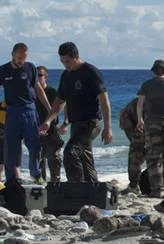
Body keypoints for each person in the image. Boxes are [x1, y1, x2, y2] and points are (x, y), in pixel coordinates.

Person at [40, 42, 112, 182]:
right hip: (77, 124)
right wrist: (48, 121)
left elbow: (104, 101)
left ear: (76, 56)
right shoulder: (66, 76)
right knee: (84, 158)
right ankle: (92, 189)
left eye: (67, 61)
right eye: (62, 61)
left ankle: (76, 187)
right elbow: (59, 102)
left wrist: (108, 128)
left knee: (71, 152)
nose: (65, 65)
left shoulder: (91, 72)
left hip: (92, 123)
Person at [0, 43, 51, 184]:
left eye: (25, 57)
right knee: (11, 148)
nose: (22, 60)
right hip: (12, 111)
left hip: (29, 110)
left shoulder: (30, 68)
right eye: (20, 56)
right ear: (13, 54)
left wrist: (49, 108)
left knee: (35, 145)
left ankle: (35, 173)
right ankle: (11, 180)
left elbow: (38, 89)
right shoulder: (3, 70)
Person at [136, 59, 164, 197]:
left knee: (154, 156)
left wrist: (140, 120)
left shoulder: (146, 85)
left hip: (152, 122)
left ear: (154, 71)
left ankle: (157, 190)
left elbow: (140, 104)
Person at [36, 65, 67, 182]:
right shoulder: (31, 92)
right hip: (36, 129)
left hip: (51, 129)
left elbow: (65, 105)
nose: (38, 78)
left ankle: (55, 183)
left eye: (40, 75)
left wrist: (65, 123)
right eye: (35, 75)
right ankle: (41, 183)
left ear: (46, 77)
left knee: (53, 158)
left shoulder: (52, 91)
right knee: (38, 159)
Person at [118, 97, 145, 194]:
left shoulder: (126, 113)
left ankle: (134, 186)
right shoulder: (157, 101)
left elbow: (132, 137)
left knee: (135, 154)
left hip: (141, 123)